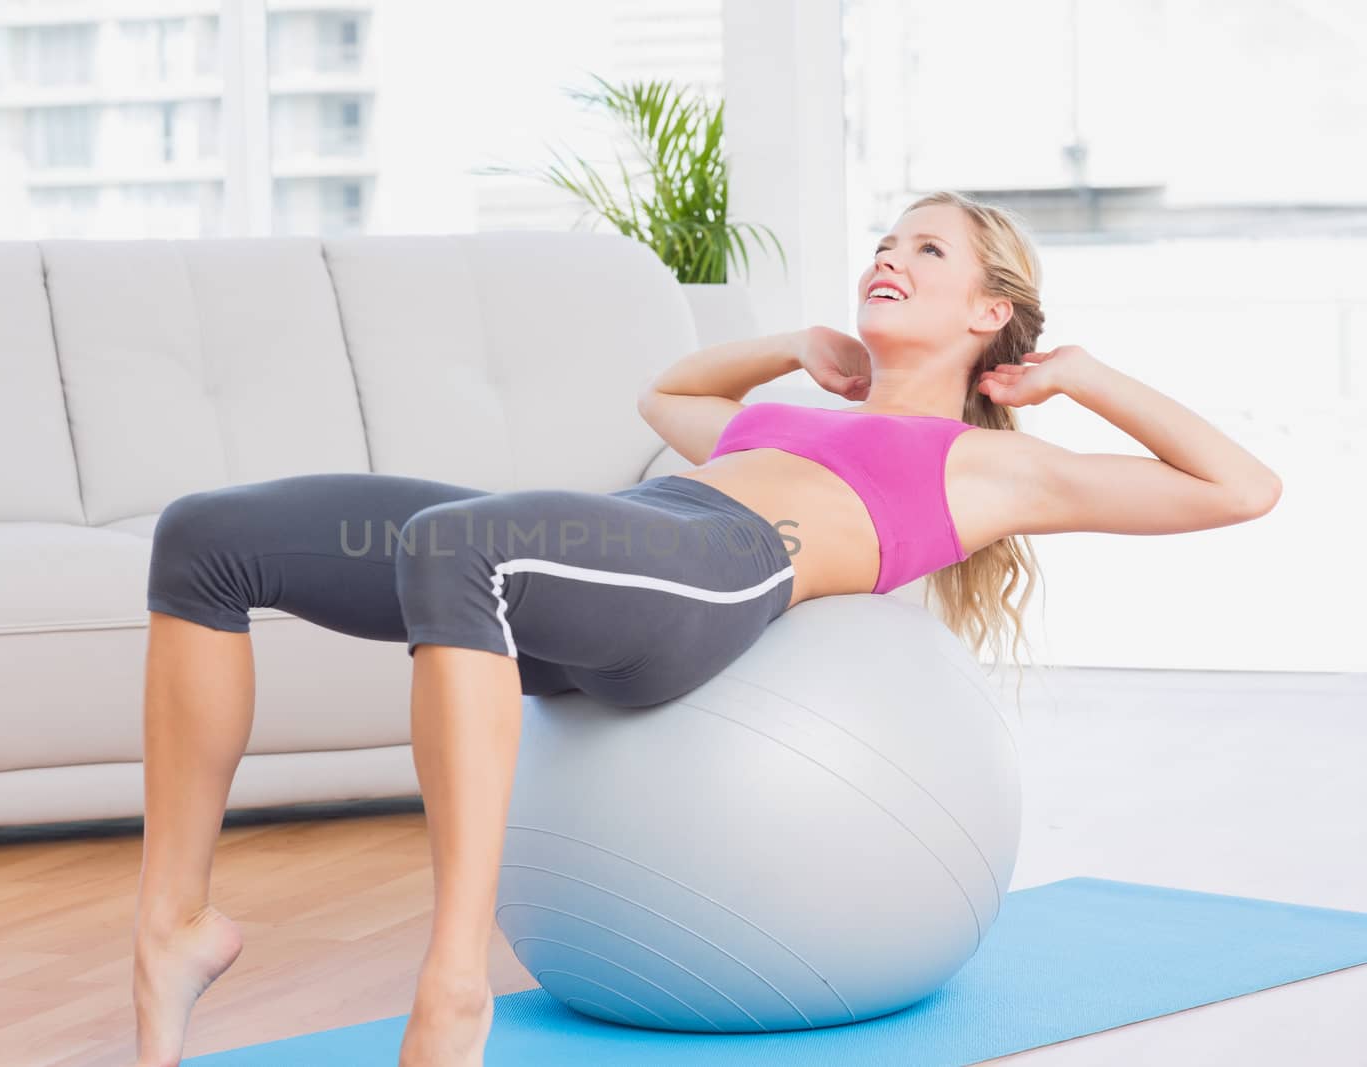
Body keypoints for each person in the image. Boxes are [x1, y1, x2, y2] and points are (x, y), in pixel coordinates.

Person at [128, 191, 1283, 1067]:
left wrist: (1085, 376)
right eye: (886, 238)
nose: (889, 255)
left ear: (991, 312)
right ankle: (177, 923)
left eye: (927, 250)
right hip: (624, 546)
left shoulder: (991, 467)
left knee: (454, 538)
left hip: (712, 579)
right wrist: (794, 347)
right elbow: (668, 398)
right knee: (205, 536)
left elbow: (1240, 489)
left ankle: (454, 979)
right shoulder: (777, 417)